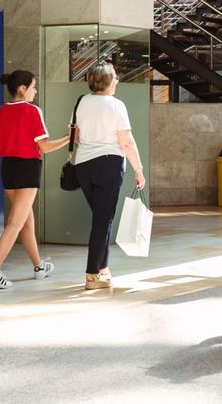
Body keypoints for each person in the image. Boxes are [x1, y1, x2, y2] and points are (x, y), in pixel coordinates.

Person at [0, 70, 70, 289]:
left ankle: (39, 267)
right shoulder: (32, 111)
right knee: (16, 223)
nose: (35, 91)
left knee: (26, 222)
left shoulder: (0, 111)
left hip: (8, 168)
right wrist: (69, 138)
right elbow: (44, 147)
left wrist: (9, 148)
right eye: (33, 86)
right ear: (22, 88)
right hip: (27, 169)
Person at [72, 62, 146, 290]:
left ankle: (103, 268)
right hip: (109, 164)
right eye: (115, 77)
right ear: (107, 81)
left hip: (83, 164)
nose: (117, 81)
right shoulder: (116, 105)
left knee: (102, 219)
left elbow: (76, 137)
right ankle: (92, 274)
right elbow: (127, 141)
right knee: (102, 220)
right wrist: (139, 169)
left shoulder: (81, 102)